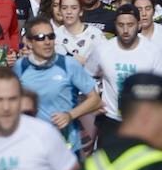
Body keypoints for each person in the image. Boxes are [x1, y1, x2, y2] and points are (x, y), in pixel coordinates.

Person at [83, 4, 162, 144]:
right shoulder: (103, 50)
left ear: (139, 24)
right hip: (111, 120)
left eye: (130, 25)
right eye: (121, 25)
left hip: (143, 123)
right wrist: (95, 100)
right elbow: (86, 77)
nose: (125, 30)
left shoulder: (154, 51)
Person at [15, 15, 101, 152]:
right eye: (41, 37)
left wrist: (70, 115)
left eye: (51, 36)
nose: (47, 42)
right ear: (29, 42)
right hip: (33, 145)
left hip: (66, 145)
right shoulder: (20, 67)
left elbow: (95, 100)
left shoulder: (68, 64)